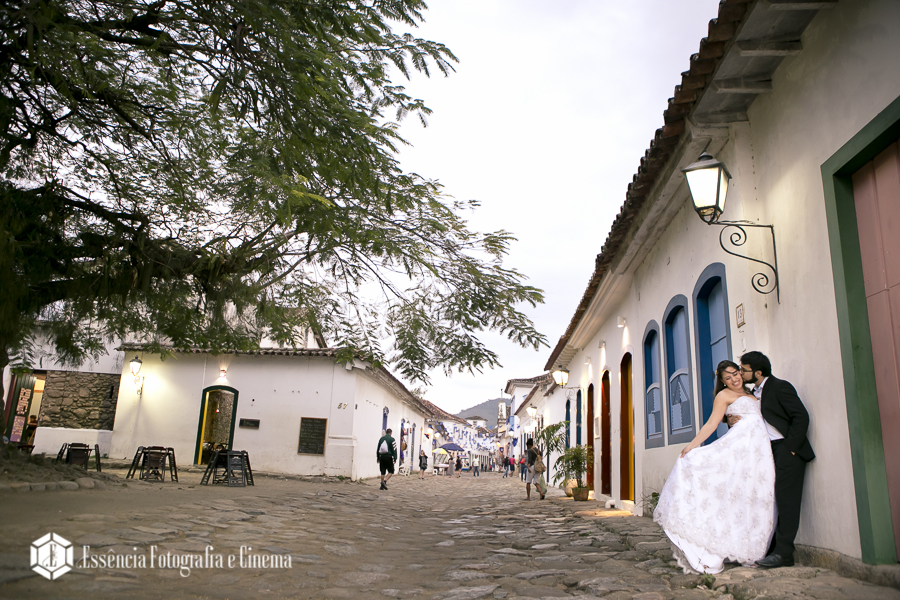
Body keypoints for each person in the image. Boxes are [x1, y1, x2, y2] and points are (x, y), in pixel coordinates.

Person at [654, 360, 775, 574]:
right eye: (727, 378)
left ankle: (749, 550)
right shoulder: (724, 396)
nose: (733, 379)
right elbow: (711, 423)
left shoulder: (753, 393)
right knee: (730, 493)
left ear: (741, 372)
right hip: (738, 449)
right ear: (722, 381)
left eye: (735, 374)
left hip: (758, 454)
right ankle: (710, 545)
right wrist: (692, 445)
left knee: (753, 496)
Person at [735, 351, 815, 569]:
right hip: (767, 452)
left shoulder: (780, 386)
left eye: (744, 369)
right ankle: (769, 548)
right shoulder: (753, 392)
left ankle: (784, 554)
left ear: (758, 372)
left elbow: (801, 415)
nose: (741, 373)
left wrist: (791, 447)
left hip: (787, 451)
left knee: (787, 501)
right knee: (770, 499)